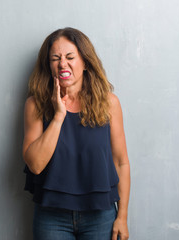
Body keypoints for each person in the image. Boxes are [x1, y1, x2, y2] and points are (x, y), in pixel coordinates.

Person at [22, 27, 130, 240]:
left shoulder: (109, 104)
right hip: (51, 216)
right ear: (48, 65)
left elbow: (121, 162)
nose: (63, 63)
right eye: (55, 58)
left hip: (101, 216)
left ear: (86, 63)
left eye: (70, 57)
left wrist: (123, 216)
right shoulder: (35, 105)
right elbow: (35, 164)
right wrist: (58, 117)